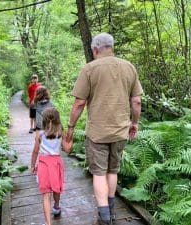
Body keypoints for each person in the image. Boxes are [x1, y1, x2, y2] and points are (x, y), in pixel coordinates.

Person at [66, 33, 143, 225]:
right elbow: (136, 101)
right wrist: (134, 123)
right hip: (120, 131)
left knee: (99, 173)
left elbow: (79, 104)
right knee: (113, 170)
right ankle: (111, 210)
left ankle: (104, 217)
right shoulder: (129, 67)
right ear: (111, 47)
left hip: (97, 133)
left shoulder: (90, 69)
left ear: (95, 49)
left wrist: (70, 127)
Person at [31, 108, 73, 225]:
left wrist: (32, 165)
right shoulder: (61, 134)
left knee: (46, 195)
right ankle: (56, 206)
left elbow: (35, 151)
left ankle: (48, 223)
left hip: (43, 164)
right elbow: (68, 149)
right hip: (56, 164)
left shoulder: (40, 135)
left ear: (43, 121)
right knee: (56, 188)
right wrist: (71, 138)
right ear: (58, 120)